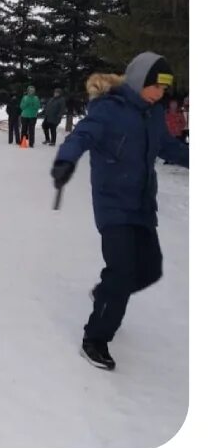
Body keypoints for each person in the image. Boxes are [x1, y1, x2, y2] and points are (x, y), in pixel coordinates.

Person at [51, 53, 189, 370]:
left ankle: (105, 293)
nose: (162, 93)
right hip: (113, 204)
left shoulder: (152, 114)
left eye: (165, 87)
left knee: (150, 270)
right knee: (123, 271)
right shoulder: (109, 110)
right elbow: (81, 135)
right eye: (157, 86)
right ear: (140, 81)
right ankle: (95, 338)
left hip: (142, 205)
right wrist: (65, 161)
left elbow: (167, 147)